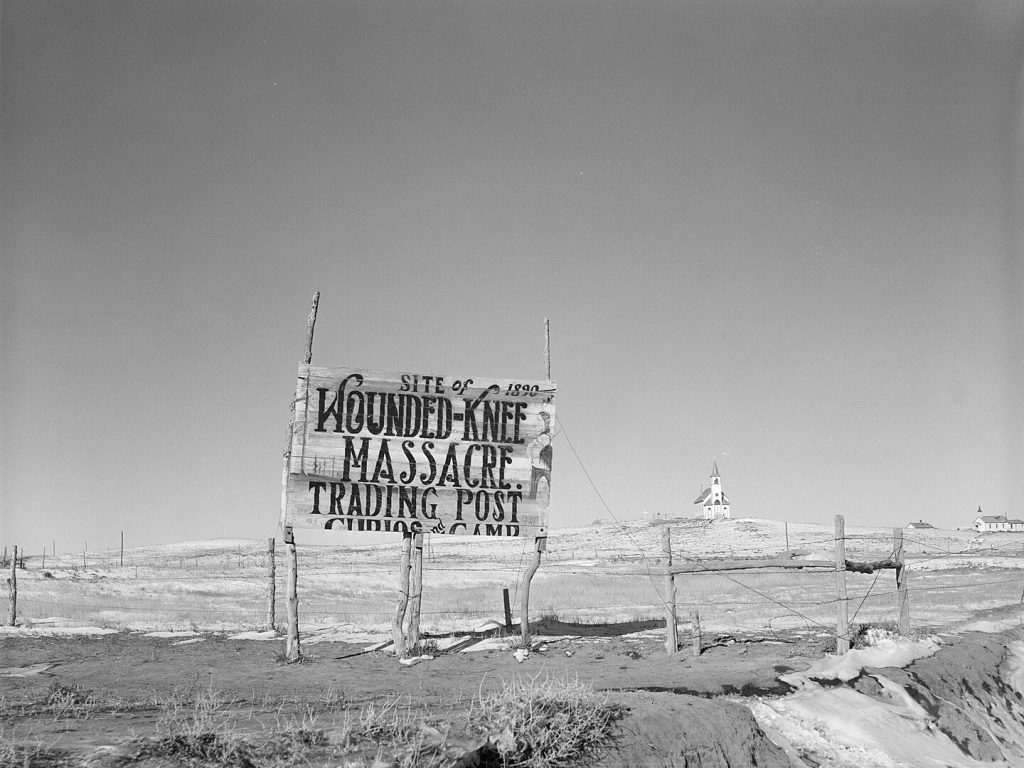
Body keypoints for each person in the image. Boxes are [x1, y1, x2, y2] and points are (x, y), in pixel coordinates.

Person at [527, 411, 553, 499]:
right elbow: (530, 449)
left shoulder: (545, 436)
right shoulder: (539, 436)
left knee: (549, 484)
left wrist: (535, 442)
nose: (536, 425)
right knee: (534, 485)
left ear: (546, 423)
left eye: (539, 421)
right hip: (536, 465)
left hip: (546, 466)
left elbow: (542, 445)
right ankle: (532, 497)